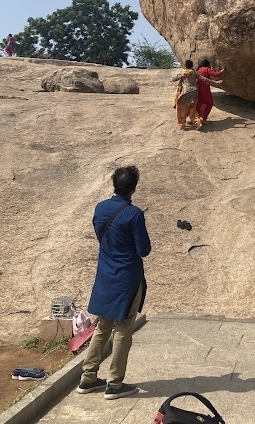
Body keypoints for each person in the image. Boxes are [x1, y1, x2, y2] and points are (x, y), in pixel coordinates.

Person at [77, 165, 151, 400]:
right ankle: (114, 384)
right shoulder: (134, 213)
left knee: (102, 328)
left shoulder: (100, 208)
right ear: (133, 188)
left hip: (106, 275)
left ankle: (87, 378)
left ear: (114, 185)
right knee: (123, 330)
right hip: (127, 279)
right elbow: (144, 249)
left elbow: (101, 234)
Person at [172, 60, 204, 130]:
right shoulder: (195, 72)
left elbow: (174, 79)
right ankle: (198, 123)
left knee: (180, 108)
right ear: (192, 66)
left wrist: (173, 78)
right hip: (195, 92)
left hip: (186, 93)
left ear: (185, 66)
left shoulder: (183, 73)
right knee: (193, 109)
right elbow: (202, 79)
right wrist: (215, 82)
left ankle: (182, 125)